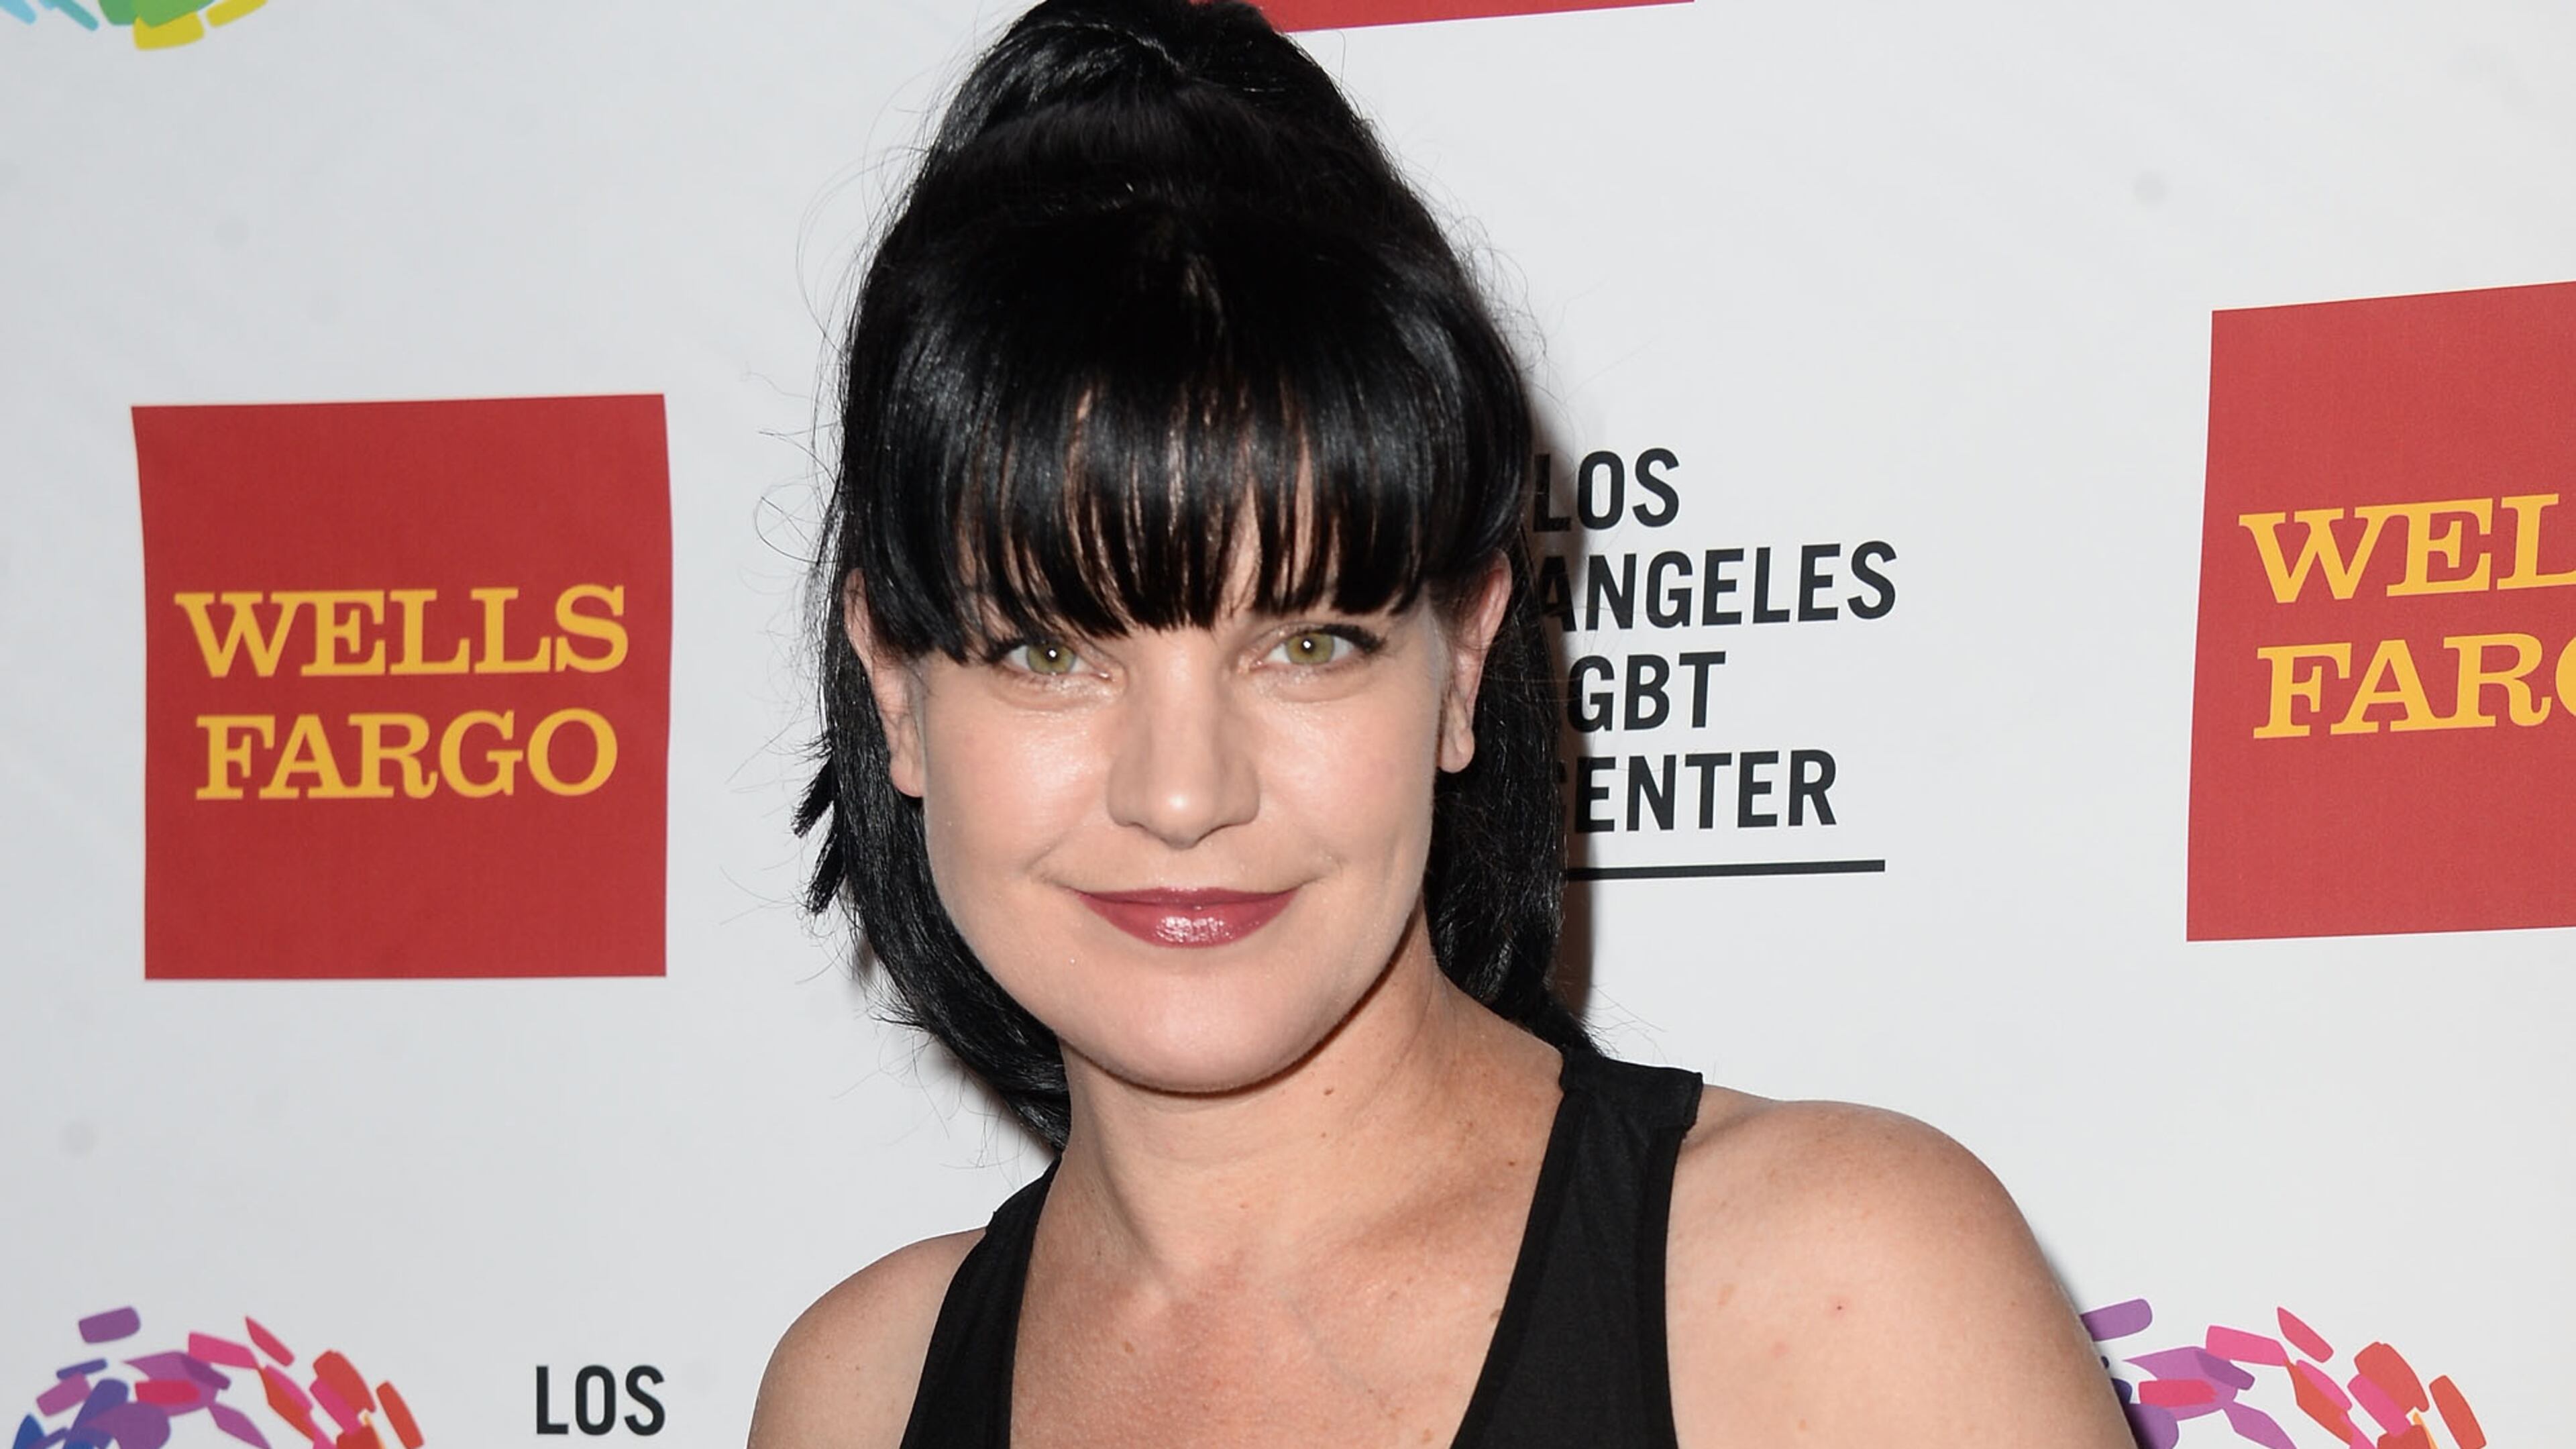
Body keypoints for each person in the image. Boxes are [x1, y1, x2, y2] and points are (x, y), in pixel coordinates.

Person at [752, 2, 2135, 1445]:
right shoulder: (858, 1393)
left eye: (1306, 642)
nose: (1182, 794)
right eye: (1051, 648)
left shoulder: (1828, 1294)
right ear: (898, 689)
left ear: (1463, 659)